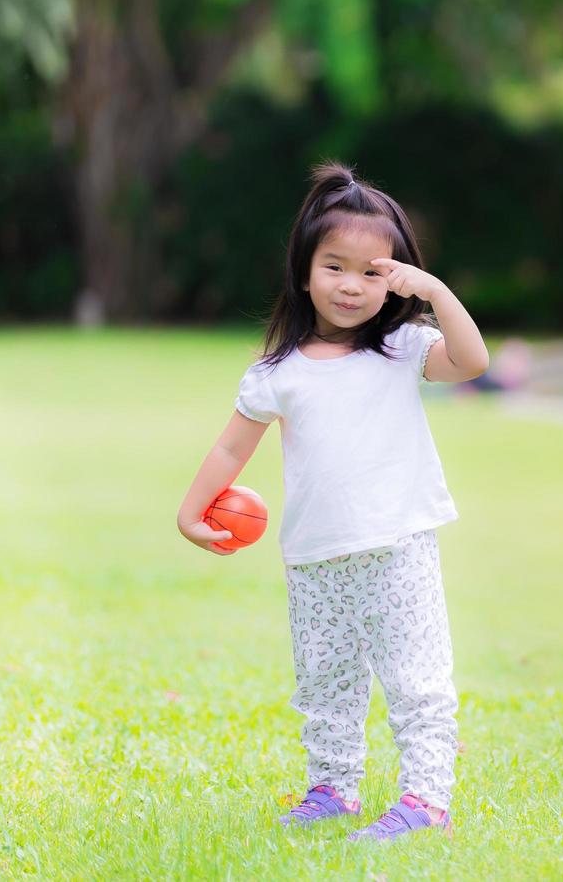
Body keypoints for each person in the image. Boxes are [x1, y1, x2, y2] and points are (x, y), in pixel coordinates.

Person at [175, 161, 489, 842]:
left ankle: (426, 798)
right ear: (305, 271)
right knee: (326, 683)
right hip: (315, 557)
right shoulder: (276, 373)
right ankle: (333, 788)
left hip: (398, 546)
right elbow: (232, 450)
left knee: (416, 680)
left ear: (394, 279)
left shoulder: (404, 349)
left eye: (372, 272)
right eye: (335, 267)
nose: (351, 286)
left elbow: (472, 362)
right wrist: (191, 511)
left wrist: (433, 291)